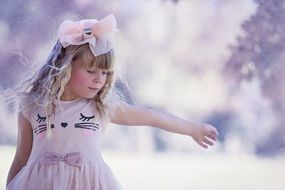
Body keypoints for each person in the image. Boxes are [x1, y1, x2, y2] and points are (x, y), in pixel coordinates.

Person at [6, 14, 218, 190]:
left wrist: (193, 129)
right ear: (67, 66)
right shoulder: (31, 105)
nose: (100, 79)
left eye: (106, 73)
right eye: (91, 71)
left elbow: (153, 117)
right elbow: (21, 158)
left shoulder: (101, 107)